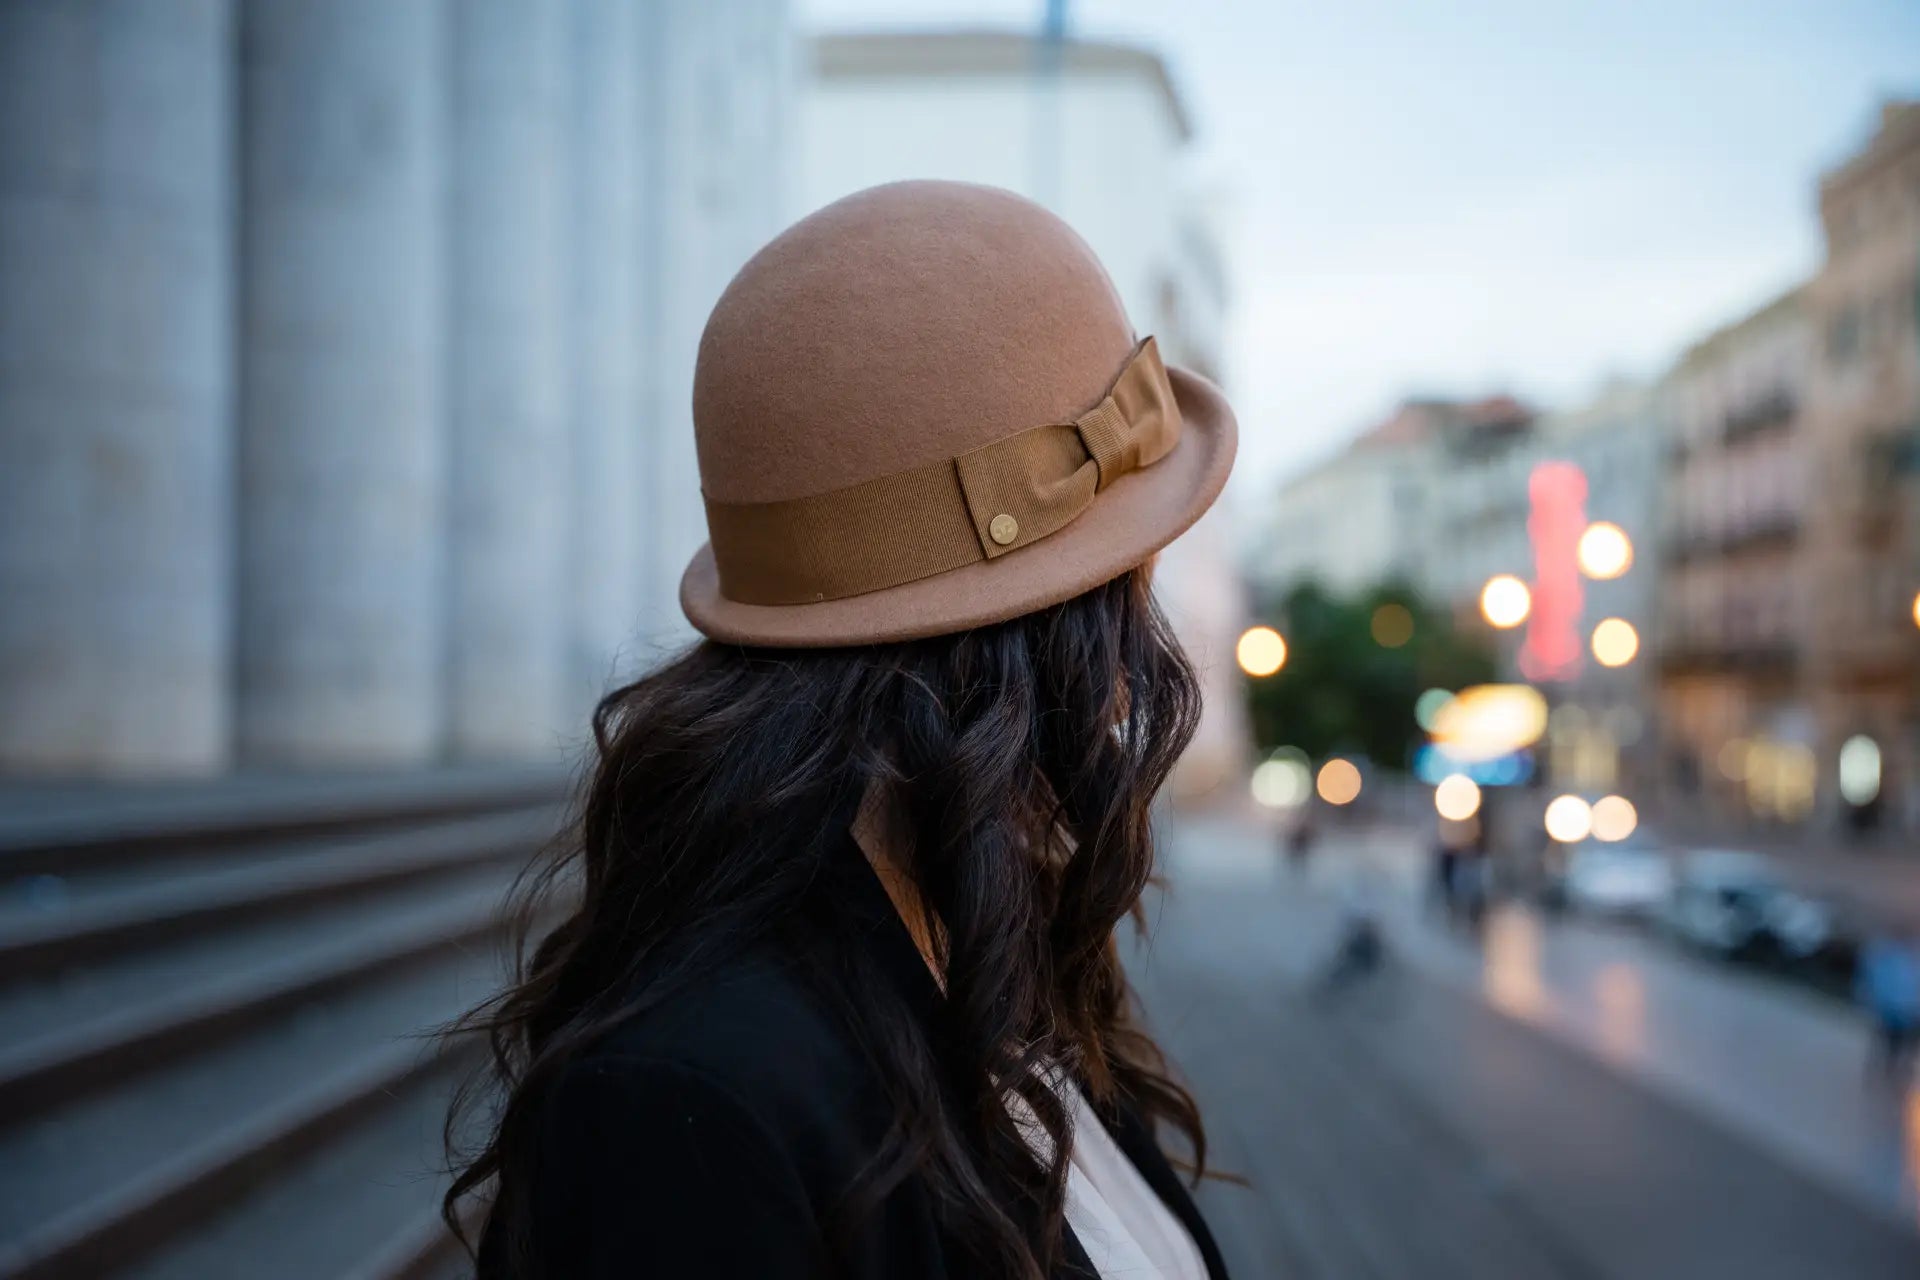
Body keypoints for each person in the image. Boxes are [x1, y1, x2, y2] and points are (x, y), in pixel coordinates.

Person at [447, 182, 1237, 1279]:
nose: (1142, 622)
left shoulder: (983, 947)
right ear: (1039, 635)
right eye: (1125, 560)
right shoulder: (690, 1101)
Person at [1856, 923, 1920, 1087]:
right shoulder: (1893, 958)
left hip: (1904, 1013)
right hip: (1896, 1012)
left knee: (1900, 1045)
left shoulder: (1901, 960)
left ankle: (1893, 1072)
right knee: (1892, 1044)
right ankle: (1888, 1072)